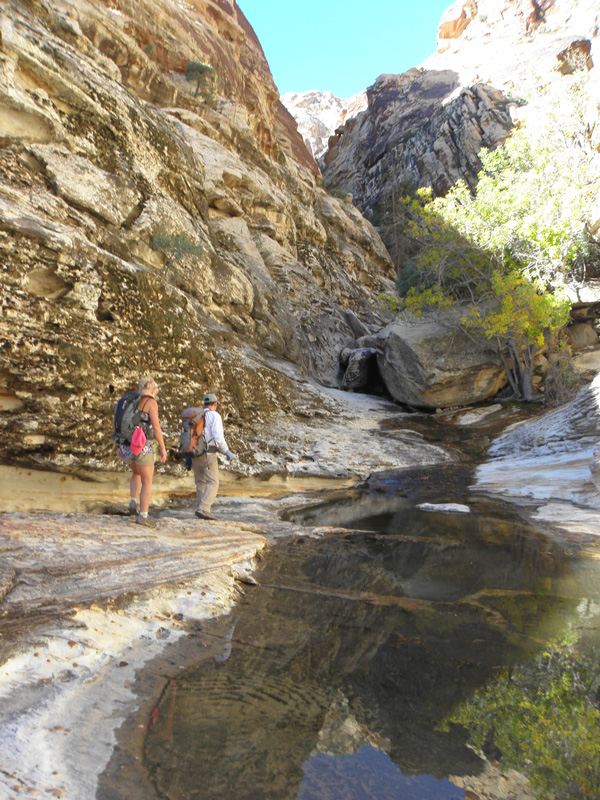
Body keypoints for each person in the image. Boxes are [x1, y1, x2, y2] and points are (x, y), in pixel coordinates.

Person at [118, 376, 167, 526]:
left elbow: (120, 423)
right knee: (147, 481)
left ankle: (133, 502)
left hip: (126, 447)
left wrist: (119, 446)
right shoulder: (150, 402)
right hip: (141, 446)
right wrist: (163, 449)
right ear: (153, 390)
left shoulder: (128, 401)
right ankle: (143, 516)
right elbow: (156, 428)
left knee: (136, 472)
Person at [192, 392, 233, 520]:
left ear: (204, 404)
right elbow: (218, 437)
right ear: (215, 404)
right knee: (213, 482)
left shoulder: (195, 415)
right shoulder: (215, 416)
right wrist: (227, 452)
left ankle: (201, 508)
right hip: (208, 453)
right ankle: (204, 508)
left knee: (200, 482)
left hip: (194, 454)